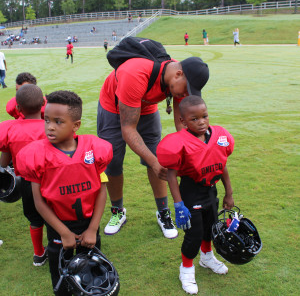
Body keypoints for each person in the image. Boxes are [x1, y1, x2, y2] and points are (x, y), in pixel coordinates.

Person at [97, 55, 209, 239]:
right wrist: (155, 162)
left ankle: (163, 212)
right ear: (178, 74)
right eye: (186, 89)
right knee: (114, 161)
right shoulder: (135, 74)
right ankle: (118, 211)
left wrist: (192, 152)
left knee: (159, 158)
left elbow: (181, 124)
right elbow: (128, 129)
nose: (185, 94)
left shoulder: (179, 80)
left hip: (146, 106)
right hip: (113, 107)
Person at [16, 91, 113, 296]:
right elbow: (38, 201)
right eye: (47, 120)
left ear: (75, 125)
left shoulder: (93, 150)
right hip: (59, 228)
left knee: (93, 278)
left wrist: (93, 229)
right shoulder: (37, 155)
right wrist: (63, 232)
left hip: (88, 225)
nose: (50, 126)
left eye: (58, 122)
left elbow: (101, 192)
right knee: (62, 283)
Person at [157, 96, 235, 294]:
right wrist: (178, 204)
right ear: (183, 121)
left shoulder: (218, 136)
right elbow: (172, 175)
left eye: (204, 116)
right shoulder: (180, 142)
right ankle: (186, 269)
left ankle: (207, 257)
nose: (201, 121)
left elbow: (222, 165)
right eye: (194, 119)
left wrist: (229, 193)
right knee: (194, 234)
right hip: (191, 191)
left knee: (211, 227)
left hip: (211, 190)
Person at [0, 84, 48, 266]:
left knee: (34, 218)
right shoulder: (50, 128)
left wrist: (2, 170)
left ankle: (38, 254)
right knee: (55, 215)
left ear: (18, 108)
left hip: (28, 182)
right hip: (51, 180)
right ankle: (57, 248)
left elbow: (5, 155)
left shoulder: (11, 129)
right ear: (43, 103)